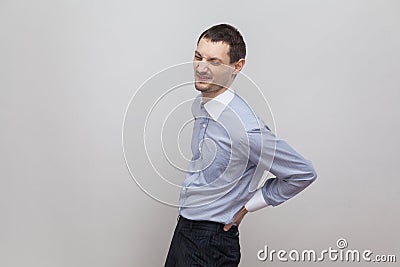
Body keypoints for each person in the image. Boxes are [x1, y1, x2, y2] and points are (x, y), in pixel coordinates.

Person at [164, 23, 317, 267]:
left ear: (237, 66)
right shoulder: (199, 104)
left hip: (211, 243)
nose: (201, 68)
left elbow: (302, 173)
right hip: (185, 229)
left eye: (214, 62)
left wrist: (247, 206)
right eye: (197, 57)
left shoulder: (247, 130)